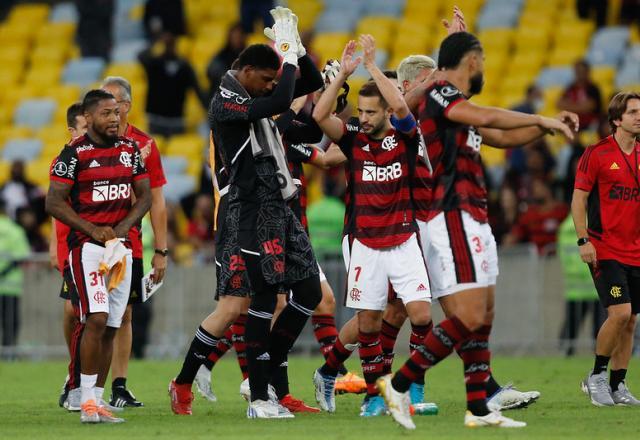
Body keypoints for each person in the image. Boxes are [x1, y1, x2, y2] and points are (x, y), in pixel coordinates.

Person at [377, 31, 577, 430]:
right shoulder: (440, 96)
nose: (484, 68)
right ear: (472, 61)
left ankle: (480, 409)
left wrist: (544, 130)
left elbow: (501, 135)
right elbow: (488, 117)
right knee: (467, 315)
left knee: (484, 314)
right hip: (453, 214)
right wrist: (540, 116)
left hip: (475, 215)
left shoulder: (459, 107)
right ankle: (398, 383)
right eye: (481, 61)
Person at [168, 6, 324, 419]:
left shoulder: (255, 92)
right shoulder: (224, 103)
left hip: (279, 204)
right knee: (256, 299)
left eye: (275, 78)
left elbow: (307, 83)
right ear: (249, 71)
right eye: (267, 77)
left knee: (308, 292)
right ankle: (259, 397)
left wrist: (299, 51)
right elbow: (280, 95)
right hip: (248, 208)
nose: (273, 86)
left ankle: (262, 372)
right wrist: (286, 53)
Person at [312, 35, 433, 417]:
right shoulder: (353, 140)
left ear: (385, 113)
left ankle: (410, 387)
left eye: (369, 112)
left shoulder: (405, 138)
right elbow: (320, 118)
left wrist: (372, 66)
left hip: (402, 238)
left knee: (422, 316)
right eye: (359, 112)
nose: (361, 118)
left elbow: (399, 104)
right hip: (364, 239)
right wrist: (345, 73)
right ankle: (374, 393)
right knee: (369, 321)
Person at [46, 89, 152, 424]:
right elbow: (54, 202)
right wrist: (93, 230)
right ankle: (84, 397)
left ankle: (96, 400)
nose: (114, 119)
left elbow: (145, 196)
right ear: (89, 117)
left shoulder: (129, 150)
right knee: (95, 318)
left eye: (117, 113)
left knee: (111, 326)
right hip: (87, 249)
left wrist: (121, 228)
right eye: (106, 113)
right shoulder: (73, 153)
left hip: (120, 250)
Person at [101, 76, 168, 408]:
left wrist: (162, 251)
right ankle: (81, 382)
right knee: (91, 315)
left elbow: (157, 200)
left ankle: (119, 386)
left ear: (125, 106)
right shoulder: (89, 142)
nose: (106, 109)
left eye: (111, 102)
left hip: (128, 244)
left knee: (123, 314)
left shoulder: (145, 144)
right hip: (91, 239)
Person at [572, 91, 640, 406]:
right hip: (605, 248)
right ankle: (597, 376)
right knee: (620, 313)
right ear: (616, 119)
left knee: (631, 320)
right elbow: (579, 198)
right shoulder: (597, 153)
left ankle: (618, 385)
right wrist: (583, 239)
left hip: (636, 250)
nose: (639, 116)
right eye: (633, 112)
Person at [51, 102, 88, 409]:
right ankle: (74, 370)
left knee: (81, 312)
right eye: (85, 128)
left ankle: (80, 375)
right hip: (69, 244)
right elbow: (55, 205)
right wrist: (53, 244)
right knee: (73, 312)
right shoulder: (64, 160)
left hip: (89, 244)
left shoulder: (100, 156)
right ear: (72, 130)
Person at [138, 33, 208, 137]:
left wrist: (209, 111)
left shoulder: (185, 67)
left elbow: (198, 92)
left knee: (175, 149)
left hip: (176, 121)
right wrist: (156, 40)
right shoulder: (154, 64)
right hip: (156, 119)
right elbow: (140, 56)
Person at [557, 215, 604, 356]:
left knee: (572, 324)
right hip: (595, 285)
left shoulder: (565, 226)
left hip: (574, 286)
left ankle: (565, 350)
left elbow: (562, 254)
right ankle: (600, 353)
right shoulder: (595, 222)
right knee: (599, 325)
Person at [502, 178, 569, 255]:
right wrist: (511, 238)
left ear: (547, 188)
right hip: (538, 259)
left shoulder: (562, 210)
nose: (535, 191)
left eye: (538, 187)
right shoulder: (530, 213)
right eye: (534, 188)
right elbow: (518, 229)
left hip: (559, 256)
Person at [0, 198, 30, 353]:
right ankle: (9, 354)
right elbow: (22, 256)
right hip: (10, 286)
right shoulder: (15, 230)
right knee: (10, 324)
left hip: (7, 286)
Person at [557, 59, 603, 131]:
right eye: (577, 71)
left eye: (582, 71)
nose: (580, 74)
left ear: (587, 72)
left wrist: (569, 106)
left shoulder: (593, 88)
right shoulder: (570, 88)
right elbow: (559, 104)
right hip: (573, 123)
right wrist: (579, 106)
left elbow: (589, 106)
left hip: (590, 125)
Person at [206, 23, 247, 99]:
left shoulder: (249, 54)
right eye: (235, 37)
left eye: (240, 36)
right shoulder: (221, 56)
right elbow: (210, 71)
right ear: (229, 38)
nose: (237, 40)